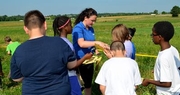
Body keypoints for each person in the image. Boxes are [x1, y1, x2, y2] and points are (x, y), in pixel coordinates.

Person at [10, 10, 77, 95]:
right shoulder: (59, 43)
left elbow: (16, 78)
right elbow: (72, 64)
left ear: (25, 29)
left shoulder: (19, 50)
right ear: (45, 25)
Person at [52, 16, 93, 95]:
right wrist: (85, 57)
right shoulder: (67, 44)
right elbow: (72, 66)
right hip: (70, 76)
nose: (71, 27)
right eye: (70, 25)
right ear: (65, 28)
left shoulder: (57, 42)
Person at [72, 8, 108, 95]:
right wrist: (96, 43)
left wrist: (95, 49)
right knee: (80, 84)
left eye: (95, 21)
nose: (93, 23)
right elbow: (81, 43)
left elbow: (90, 42)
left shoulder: (91, 29)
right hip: (80, 60)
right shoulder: (78, 28)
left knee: (88, 83)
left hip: (89, 59)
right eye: (92, 20)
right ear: (85, 17)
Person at [142, 21, 180, 95]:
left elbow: (167, 83)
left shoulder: (163, 57)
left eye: (153, 34)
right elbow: (176, 68)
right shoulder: (173, 49)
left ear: (160, 37)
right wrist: (158, 70)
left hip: (167, 93)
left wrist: (149, 81)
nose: (152, 37)